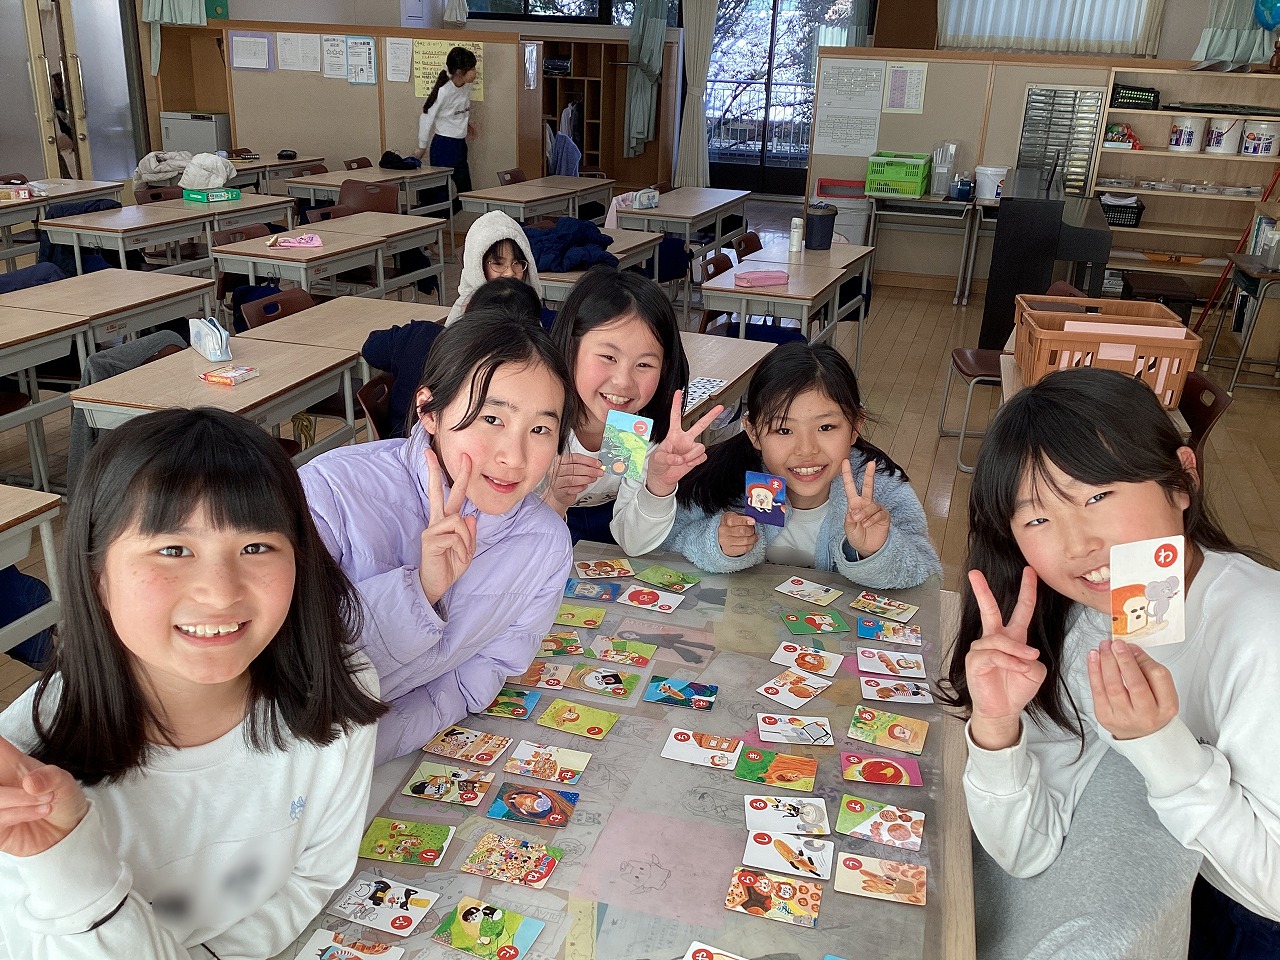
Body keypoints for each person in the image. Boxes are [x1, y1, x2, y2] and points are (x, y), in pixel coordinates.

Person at [0, 408, 384, 958]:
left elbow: (313, 878)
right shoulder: (22, 777)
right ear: (96, 576)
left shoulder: (336, 697)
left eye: (256, 547)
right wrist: (67, 860)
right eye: (173, 550)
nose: (220, 592)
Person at [942, 368, 1280, 960]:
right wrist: (996, 728)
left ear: (1182, 480)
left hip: (1246, 915)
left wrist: (1160, 745)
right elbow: (1026, 849)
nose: (1078, 545)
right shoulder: (1083, 619)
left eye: (1097, 496)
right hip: (1155, 893)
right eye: (1038, 518)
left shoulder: (1262, 634)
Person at [301, 310, 575, 763]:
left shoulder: (545, 544)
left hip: (385, 761)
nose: (514, 457)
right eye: (491, 418)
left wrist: (365, 757)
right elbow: (295, 676)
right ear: (429, 410)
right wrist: (421, 591)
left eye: (540, 429)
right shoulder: (328, 492)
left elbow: (479, 675)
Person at [663, 341, 939, 588]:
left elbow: (927, 575)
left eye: (826, 427)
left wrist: (876, 551)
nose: (806, 450)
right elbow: (668, 543)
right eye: (784, 430)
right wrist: (717, 544)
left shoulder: (880, 488)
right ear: (753, 432)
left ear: (856, 426)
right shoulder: (722, 480)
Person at [546, 266, 724, 554]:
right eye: (608, 357)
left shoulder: (630, 429)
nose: (623, 382)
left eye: (644, 364)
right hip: (538, 531)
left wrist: (658, 486)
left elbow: (632, 542)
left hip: (613, 531)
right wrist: (552, 500)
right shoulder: (537, 421)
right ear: (571, 346)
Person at [446, 211, 542, 324]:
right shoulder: (463, 315)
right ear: (478, 266)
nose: (510, 273)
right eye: (498, 264)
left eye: (517, 263)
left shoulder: (528, 306)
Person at [413, 46, 478, 211]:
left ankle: (441, 216)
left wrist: (467, 124)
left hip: (459, 145)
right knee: (439, 197)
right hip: (444, 146)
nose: (475, 72)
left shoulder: (466, 86)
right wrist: (422, 145)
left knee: (466, 194)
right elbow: (426, 115)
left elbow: (456, 110)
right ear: (459, 71)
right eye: (472, 69)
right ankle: (433, 219)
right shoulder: (444, 90)